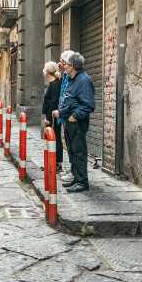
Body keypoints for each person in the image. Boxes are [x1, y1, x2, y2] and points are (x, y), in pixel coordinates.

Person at [53, 50, 94, 192]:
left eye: (67, 64)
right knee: (72, 151)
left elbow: (88, 105)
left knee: (79, 152)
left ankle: (82, 182)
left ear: (74, 66)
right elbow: (68, 99)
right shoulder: (71, 78)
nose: (64, 66)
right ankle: (76, 178)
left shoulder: (83, 80)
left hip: (76, 122)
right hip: (68, 121)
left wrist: (75, 116)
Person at [41, 60, 64, 173]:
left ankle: (56, 164)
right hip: (51, 116)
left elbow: (54, 103)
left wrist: (48, 119)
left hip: (53, 117)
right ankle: (52, 163)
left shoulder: (54, 84)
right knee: (54, 139)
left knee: (55, 139)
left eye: (45, 69)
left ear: (48, 72)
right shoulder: (53, 83)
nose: (43, 71)